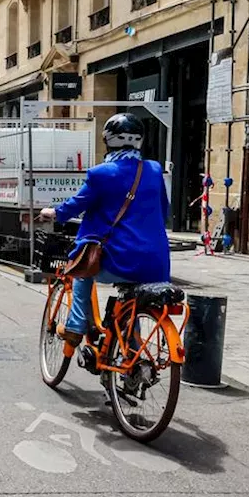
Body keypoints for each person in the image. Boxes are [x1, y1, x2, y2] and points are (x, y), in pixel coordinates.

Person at [38, 114, 171, 345]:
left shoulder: (101, 173)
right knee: (133, 299)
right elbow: (164, 209)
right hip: (155, 263)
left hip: (118, 260)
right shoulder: (153, 170)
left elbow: (78, 203)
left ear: (107, 140)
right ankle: (133, 348)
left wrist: (55, 213)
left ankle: (75, 325)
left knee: (82, 271)